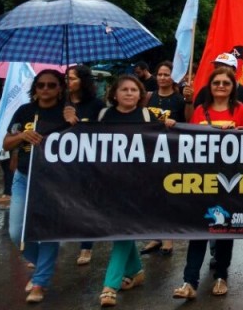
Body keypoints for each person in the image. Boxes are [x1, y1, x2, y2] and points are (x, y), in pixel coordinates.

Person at [172, 67, 243, 300]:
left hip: (230, 179)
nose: (220, 86)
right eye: (216, 82)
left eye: (225, 83)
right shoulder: (200, 110)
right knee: (199, 229)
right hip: (203, 178)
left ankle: (221, 276)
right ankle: (189, 281)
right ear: (210, 86)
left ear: (232, 87)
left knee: (224, 228)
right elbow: (190, 140)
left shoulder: (241, 109)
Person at [2, 69, 72, 304]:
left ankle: (40, 281)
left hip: (54, 180)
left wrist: (74, 122)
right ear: (35, 88)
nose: (45, 89)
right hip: (24, 177)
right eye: (41, 85)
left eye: (51, 85)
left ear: (60, 88)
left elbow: (83, 145)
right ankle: (44, 262)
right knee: (16, 231)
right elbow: (6, 141)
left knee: (49, 231)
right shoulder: (24, 111)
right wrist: (22, 136)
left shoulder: (67, 112)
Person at [97, 75, 153, 307]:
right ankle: (137, 270)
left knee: (122, 230)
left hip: (137, 184)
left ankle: (110, 285)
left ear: (140, 94)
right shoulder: (104, 116)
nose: (129, 93)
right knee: (122, 229)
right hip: (110, 182)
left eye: (134, 90)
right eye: (124, 90)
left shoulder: (147, 116)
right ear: (115, 94)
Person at [139, 60, 190, 257]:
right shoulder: (149, 97)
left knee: (168, 195)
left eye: (166, 74)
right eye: (159, 74)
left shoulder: (178, 100)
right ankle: (155, 235)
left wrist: (176, 122)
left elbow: (187, 122)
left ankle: (168, 238)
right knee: (152, 194)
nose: (162, 78)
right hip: (150, 152)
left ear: (173, 77)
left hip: (171, 152)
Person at [63, 65, 106, 265]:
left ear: (83, 81)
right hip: (62, 164)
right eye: (66, 78)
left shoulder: (96, 105)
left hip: (87, 163)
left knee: (87, 205)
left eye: (72, 78)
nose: (68, 82)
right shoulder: (59, 104)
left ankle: (86, 246)